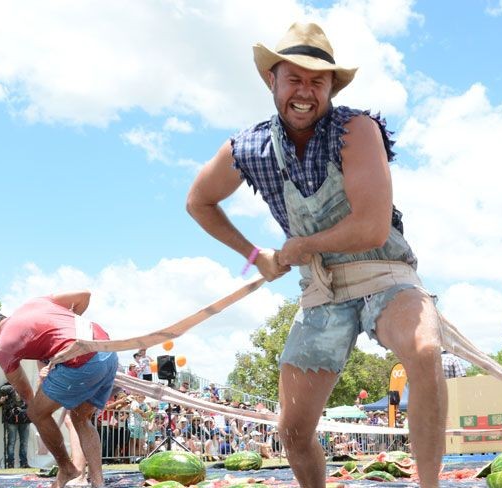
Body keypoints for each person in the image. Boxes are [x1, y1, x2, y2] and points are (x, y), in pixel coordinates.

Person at [185, 22, 447, 487]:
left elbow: (370, 226)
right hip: (321, 291)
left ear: (331, 86)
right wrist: (254, 254)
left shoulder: (355, 130)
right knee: (293, 429)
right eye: (294, 79)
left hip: (384, 275)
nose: (304, 92)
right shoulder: (248, 148)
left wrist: (301, 246)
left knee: (425, 350)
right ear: (273, 81)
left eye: (317, 81)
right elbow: (198, 202)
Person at [0, 290, 118, 488]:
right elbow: (85, 295)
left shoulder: (3, 347)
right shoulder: (35, 303)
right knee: (80, 418)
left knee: (36, 412)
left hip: (81, 361)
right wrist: (70, 330)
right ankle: (98, 482)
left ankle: (67, 469)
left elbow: (25, 393)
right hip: (108, 353)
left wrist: (40, 414)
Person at [0, 381, 32, 468]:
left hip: (24, 418)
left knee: (24, 442)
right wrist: (2, 400)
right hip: (11, 418)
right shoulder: (5, 388)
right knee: (11, 442)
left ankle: (24, 463)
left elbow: (31, 401)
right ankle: (10, 464)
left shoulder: (25, 385)